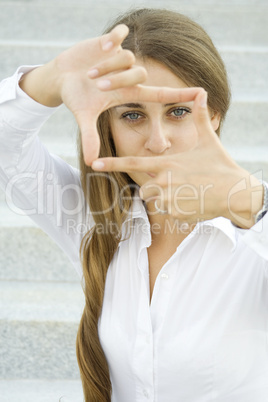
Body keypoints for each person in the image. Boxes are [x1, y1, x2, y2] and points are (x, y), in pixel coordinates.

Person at [0, 7, 267, 402]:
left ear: (214, 115)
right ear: (107, 125)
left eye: (179, 111)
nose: (157, 141)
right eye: (132, 115)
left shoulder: (254, 235)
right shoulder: (94, 220)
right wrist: (50, 79)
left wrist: (250, 202)